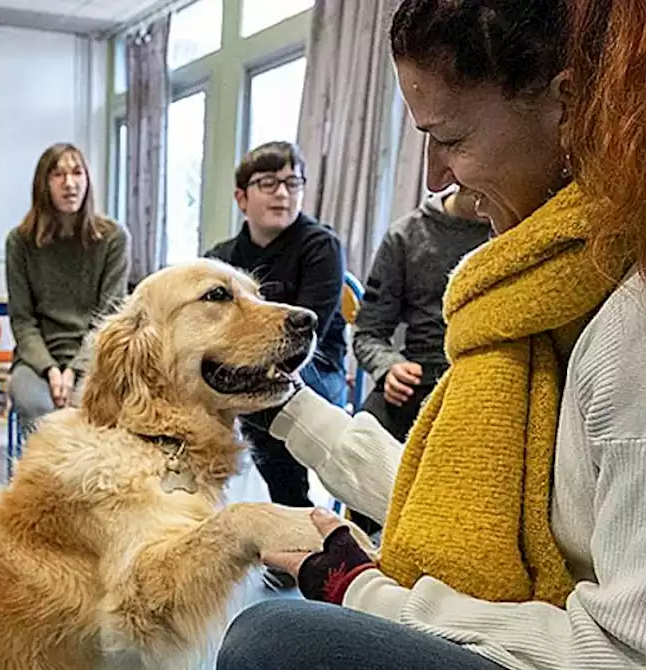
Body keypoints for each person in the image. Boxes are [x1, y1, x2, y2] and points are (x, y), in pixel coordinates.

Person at [216, 1, 647, 668]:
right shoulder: (531, 299)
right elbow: (456, 500)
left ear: (565, 106)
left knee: (272, 638)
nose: (432, 176)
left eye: (450, 137)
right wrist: (288, 407)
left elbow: (621, 651)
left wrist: (362, 590)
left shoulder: (627, 331)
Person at [204, 141, 349, 511]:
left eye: (292, 183)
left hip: (313, 363)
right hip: (241, 360)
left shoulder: (321, 246)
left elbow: (306, 334)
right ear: (241, 197)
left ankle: (294, 512)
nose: (283, 194)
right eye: (268, 183)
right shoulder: (221, 259)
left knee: (267, 400)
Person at [5, 143, 128, 433]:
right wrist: (50, 370)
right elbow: (23, 320)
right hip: (37, 359)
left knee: (90, 408)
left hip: (95, 357)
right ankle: (42, 479)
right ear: (43, 185)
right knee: (36, 407)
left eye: (77, 172)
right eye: (57, 175)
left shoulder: (112, 238)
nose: (69, 183)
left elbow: (109, 319)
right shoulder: (20, 241)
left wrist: (75, 369)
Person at [355, 186, 491, 441]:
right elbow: (368, 333)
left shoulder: (521, 232)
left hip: (489, 380)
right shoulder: (405, 236)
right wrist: (389, 367)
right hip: (421, 375)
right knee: (356, 446)